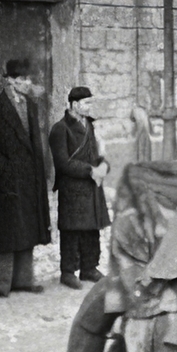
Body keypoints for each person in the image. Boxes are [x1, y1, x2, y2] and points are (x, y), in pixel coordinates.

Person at [0, 57, 51, 296]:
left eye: (28, 78)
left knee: (27, 228)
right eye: (21, 79)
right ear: (9, 81)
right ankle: (2, 284)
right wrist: (0, 166)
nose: (27, 83)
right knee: (7, 232)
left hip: (29, 177)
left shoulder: (31, 106)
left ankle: (23, 281)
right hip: (8, 179)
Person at [49, 86, 110, 290]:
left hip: (91, 186)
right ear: (74, 105)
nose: (90, 107)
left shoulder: (90, 126)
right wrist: (90, 171)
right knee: (72, 231)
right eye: (86, 103)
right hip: (73, 187)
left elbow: (97, 154)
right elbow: (63, 163)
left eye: (90, 102)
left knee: (92, 230)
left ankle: (89, 268)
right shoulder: (60, 129)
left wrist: (103, 165)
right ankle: (68, 272)